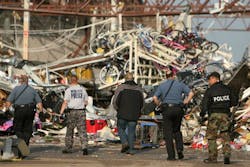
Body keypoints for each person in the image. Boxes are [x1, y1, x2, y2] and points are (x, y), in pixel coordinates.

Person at [153, 70, 194, 160]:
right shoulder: (180, 84)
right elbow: (191, 93)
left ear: (166, 76)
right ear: (173, 75)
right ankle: (179, 149)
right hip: (178, 109)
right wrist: (185, 102)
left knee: (168, 133)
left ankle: (171, 156)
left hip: (167, 109)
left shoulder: (162, 85)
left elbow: (155, 98)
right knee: (177, 130)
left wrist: (159, 105)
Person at [200, 72, 238, 164]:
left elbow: (204, 104)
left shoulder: (210, 90)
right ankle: (226, 155)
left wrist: (202, 115)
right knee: (225, 135)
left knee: (211, 136)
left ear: (214, 78)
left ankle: (212, 158)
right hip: (225, 115)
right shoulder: (227, 89)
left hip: (214, 115)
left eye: (209, 80)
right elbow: (234, 102)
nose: (209, 82)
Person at [112, 72, 144, 155]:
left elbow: (115, 101)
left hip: (122, 113)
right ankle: (131, 150)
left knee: (120, 128)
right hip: (134, 114)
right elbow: (142, 103)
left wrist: (118, 109)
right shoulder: (139, 89)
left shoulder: (121, 88)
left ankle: (125, 142)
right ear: (133, 79)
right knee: (131, 131)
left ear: (125, 79)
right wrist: (139, 111)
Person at [6, 75, 43, 146]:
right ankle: (25, 143)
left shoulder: (16, 89)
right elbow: (39, 102)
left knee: (17, 128)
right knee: (28, 128)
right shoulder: (32, 90)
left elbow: (8, 101)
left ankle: (21, 141)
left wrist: (7, 110)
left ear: (20, 81)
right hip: (30, 110)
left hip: (19, 110)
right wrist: (41, 111)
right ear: (27, 81)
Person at [59, 75, 89, 155]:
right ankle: (84, 147)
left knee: (70, 130)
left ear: (70, 81)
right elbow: (86, 101)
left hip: (71, 112)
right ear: (77, 80)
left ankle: (68, 147)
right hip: (81, 111)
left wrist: (61, 112)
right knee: (82, 130)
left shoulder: (68, 90)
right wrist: (82, 106)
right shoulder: (83, 89)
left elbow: (65, 102)